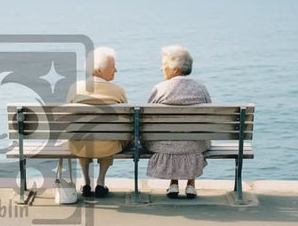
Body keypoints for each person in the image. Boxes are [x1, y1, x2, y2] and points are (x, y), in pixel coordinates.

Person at [144, 45, 211, 199]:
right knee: (192, 139)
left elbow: (146, 118)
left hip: (164, 144)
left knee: (171, 138)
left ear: (175, 69)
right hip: (194, 144)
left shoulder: (160, 89)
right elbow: (207, 119)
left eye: (164, 65)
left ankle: (173, 183)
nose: (161, 69)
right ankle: (191, 185)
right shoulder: (200, 88)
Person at [67, 46, 129, 198]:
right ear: (98, 71)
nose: (116, 70)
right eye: (112, 67)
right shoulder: (118, 91)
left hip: (79, 145)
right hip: (108, 146)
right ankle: (100, 181)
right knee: (110, 134)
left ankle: (86, 181)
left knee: (83, 134)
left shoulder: (75, 88)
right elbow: (127, 119)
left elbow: (68, 118)